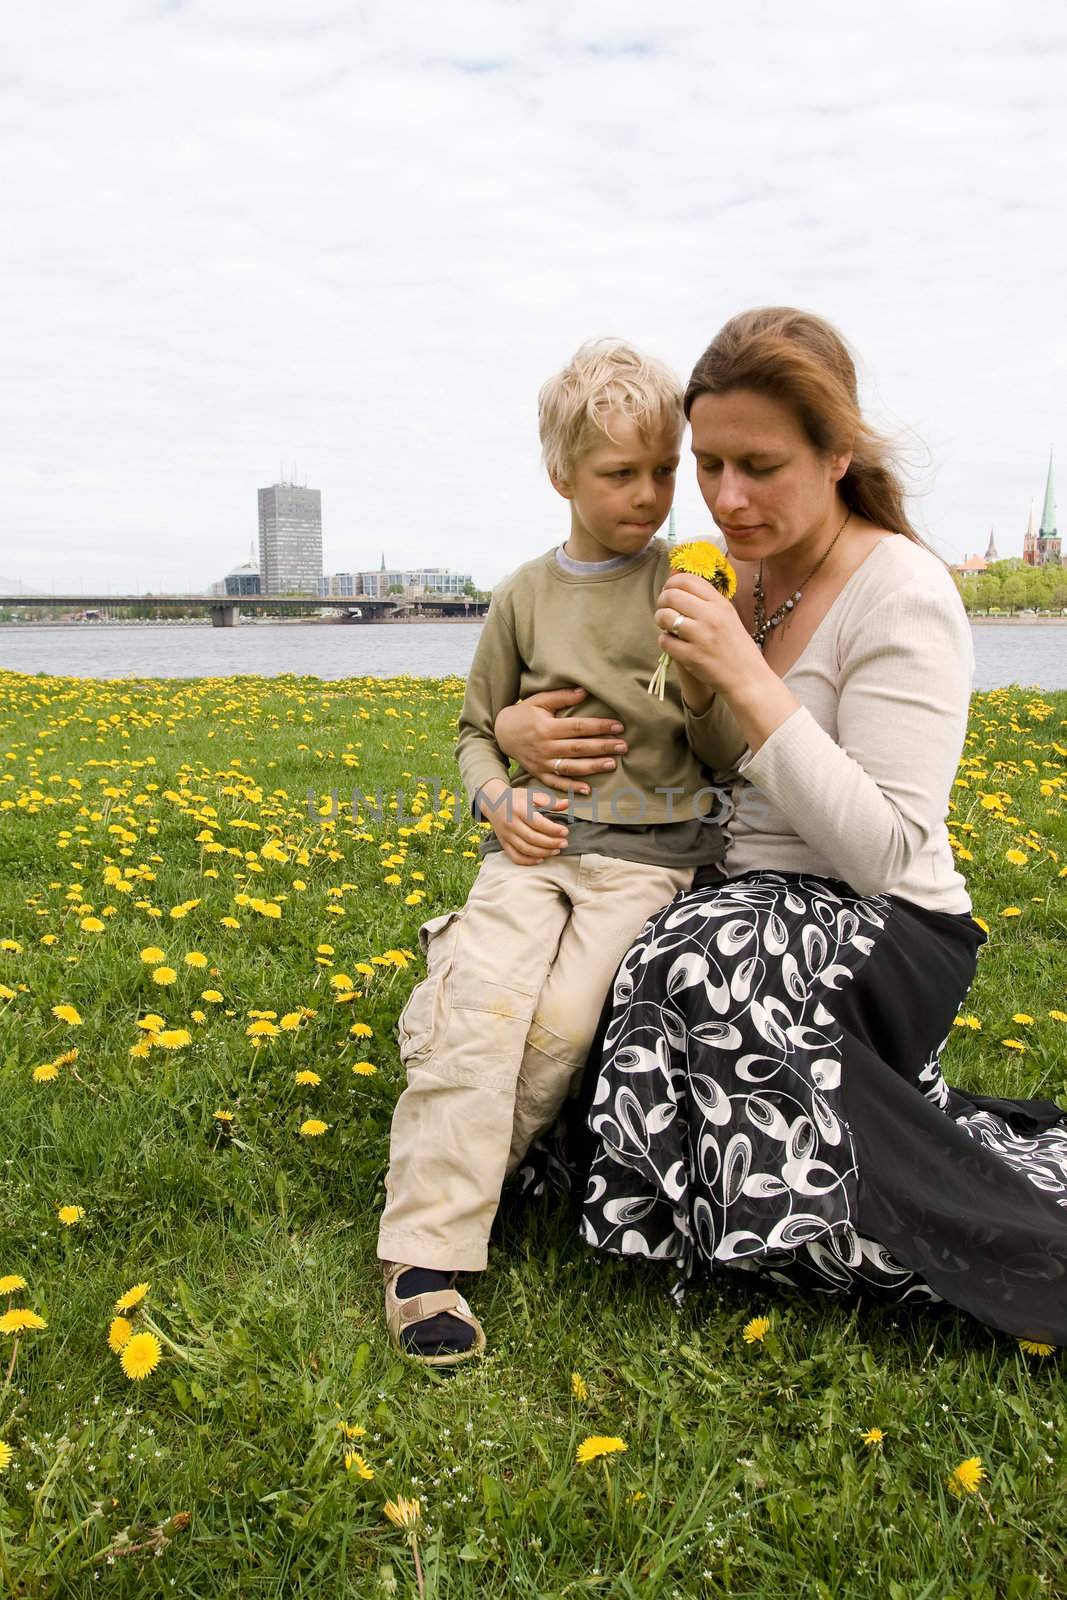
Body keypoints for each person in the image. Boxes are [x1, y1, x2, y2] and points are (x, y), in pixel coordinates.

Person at [495, 307, 1067, 1344]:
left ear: (836, 453)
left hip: (884, 922)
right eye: (706, 464)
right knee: (579, 958)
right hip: (725, 885)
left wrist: (748, 681)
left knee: (692, 961)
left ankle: (803, 1210)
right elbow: (629, 710)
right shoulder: (725, 570)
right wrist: (512, 725)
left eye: (756, 465)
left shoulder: (901, 593)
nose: (723, 497)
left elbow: (885, 849)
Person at [376, 339, 731, 1363]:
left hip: (650, 857)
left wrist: (704, 676)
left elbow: (721, 753)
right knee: (486, 997)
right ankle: (423, 1258)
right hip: (531, 848)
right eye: (621, 474)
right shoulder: (523, 595)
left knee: (559, 1027)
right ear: (560, 476)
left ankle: (451, 1159)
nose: (651, 494)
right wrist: (493, 793)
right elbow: (472, 729)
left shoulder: (690, 580)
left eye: (664, 469)